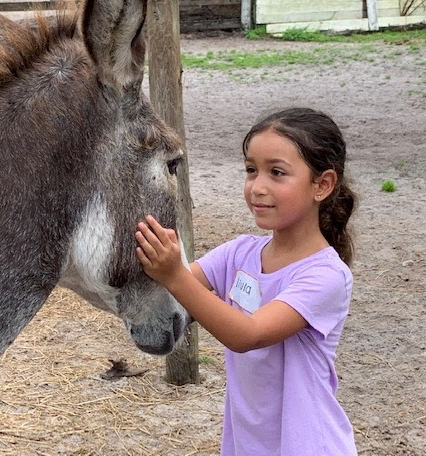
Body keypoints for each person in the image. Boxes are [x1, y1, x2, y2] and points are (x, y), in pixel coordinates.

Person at [135, 107, 358, 455]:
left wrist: (174, 274)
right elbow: (175, 295)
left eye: (277, 172)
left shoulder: (325, 276)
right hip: (247, 444)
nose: (258, 187)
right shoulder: (239, 253)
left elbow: (247, 335)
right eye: (251, 170)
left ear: (323, 185)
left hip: (307, 444)